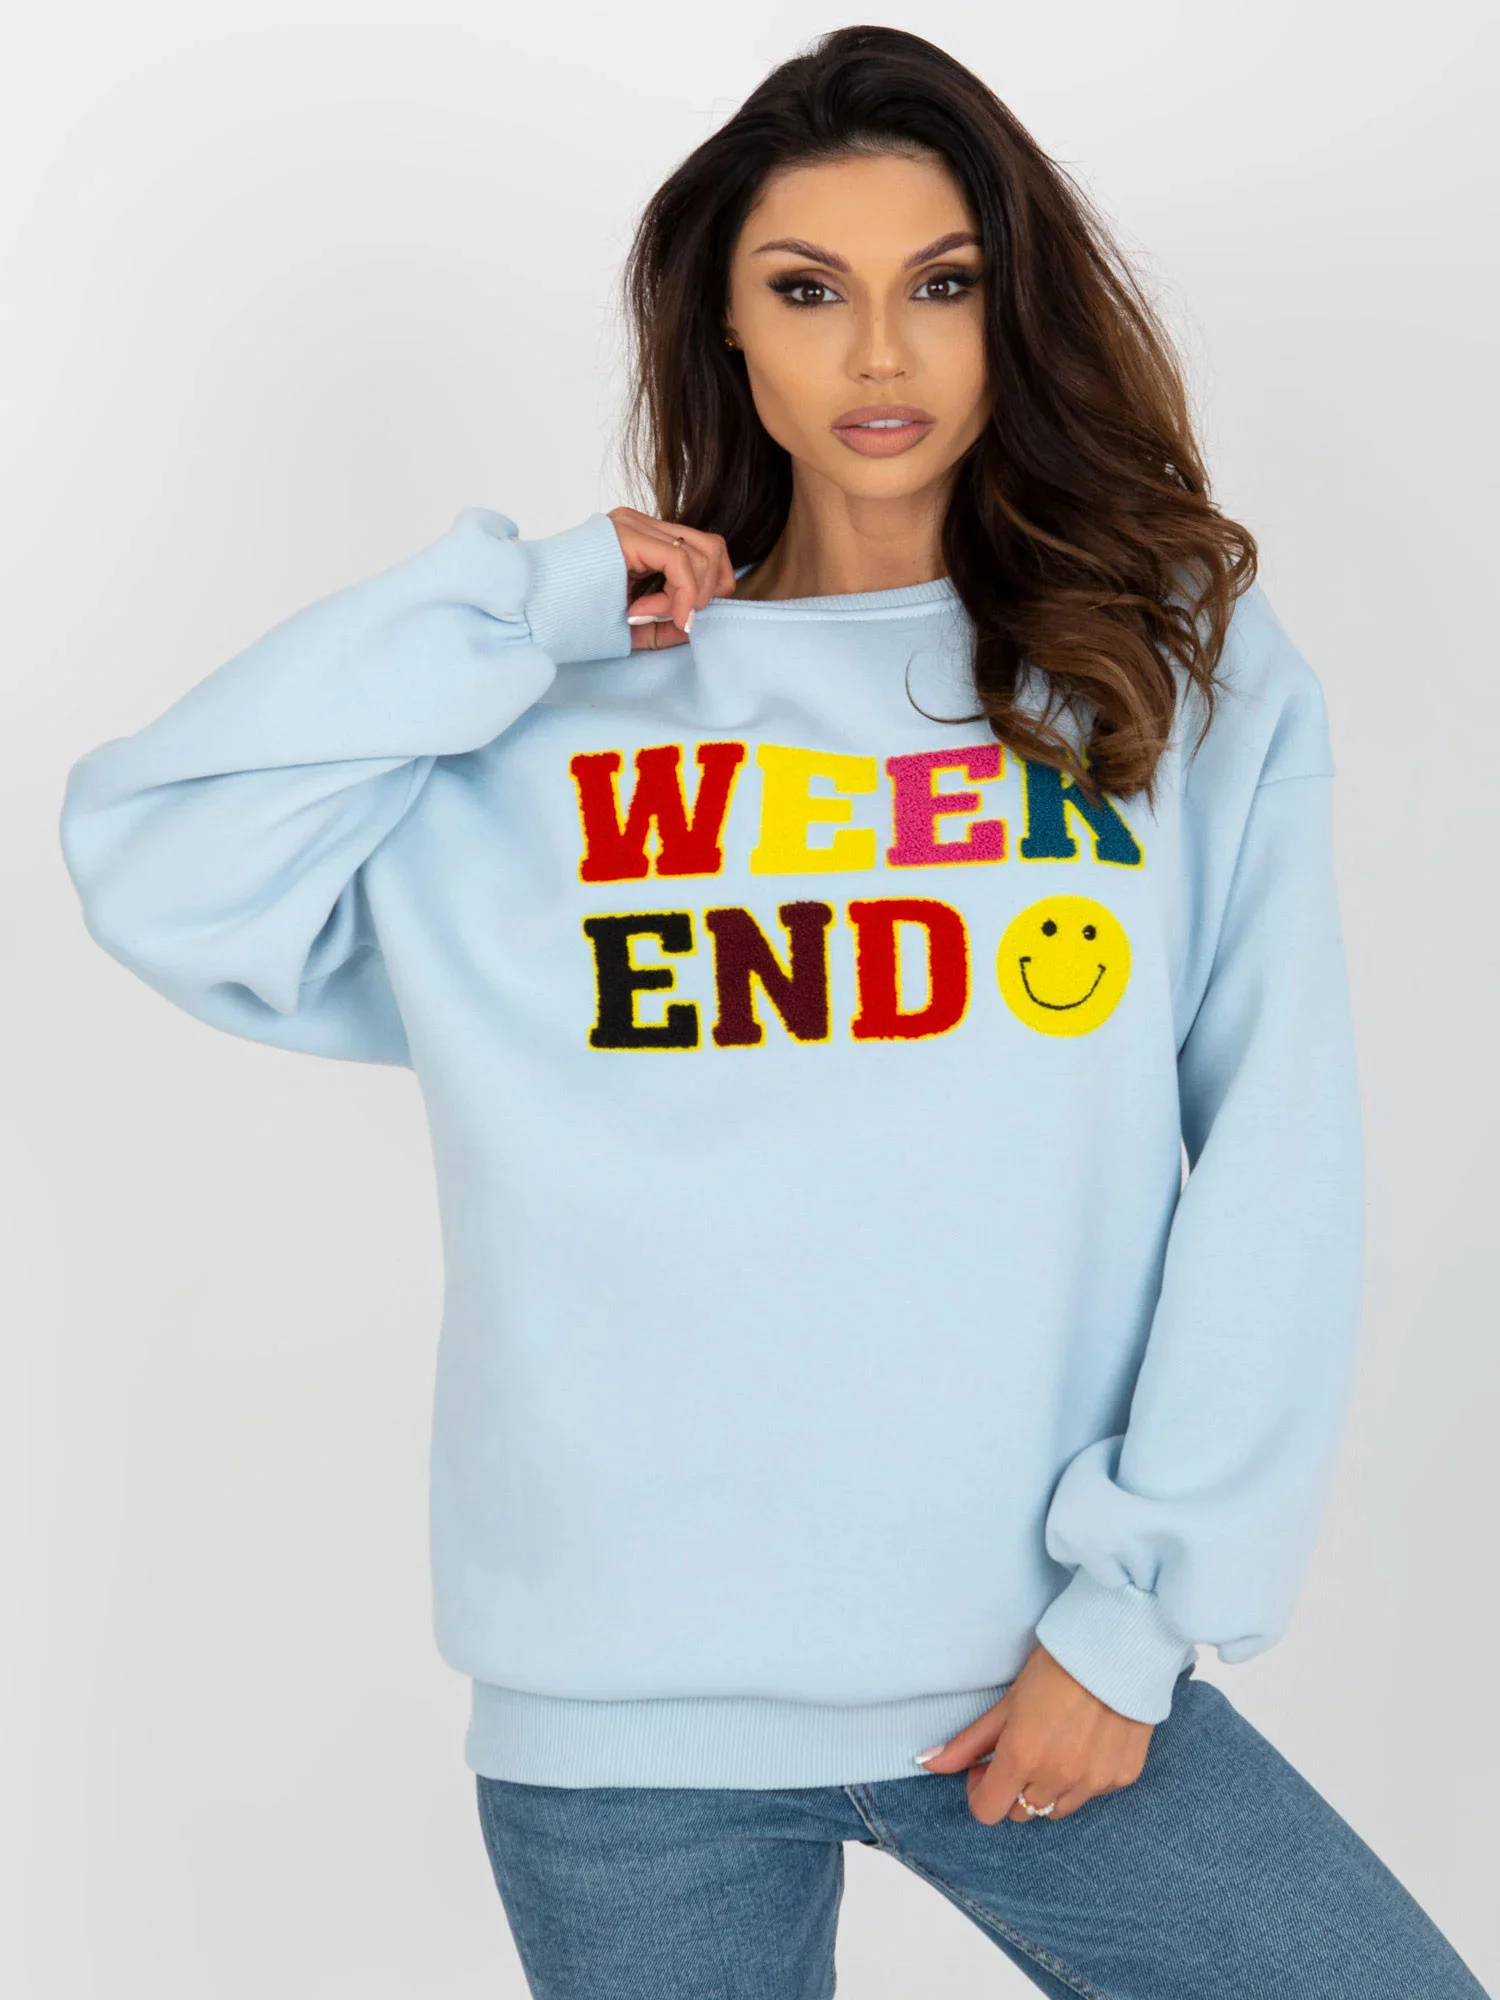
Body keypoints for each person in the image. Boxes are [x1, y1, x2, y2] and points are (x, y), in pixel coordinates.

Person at [57, 22, 1489, 2000]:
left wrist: (1136, 1614)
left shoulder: (1159, 684)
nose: (879, 353)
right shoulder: (543, 717)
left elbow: (1280, 1156)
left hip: (1046, 1670)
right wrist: (519, 609)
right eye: (809, 292)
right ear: (725, 330)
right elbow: (156, 855)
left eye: (941, 286)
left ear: (1014, 312)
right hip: (620, 1720)